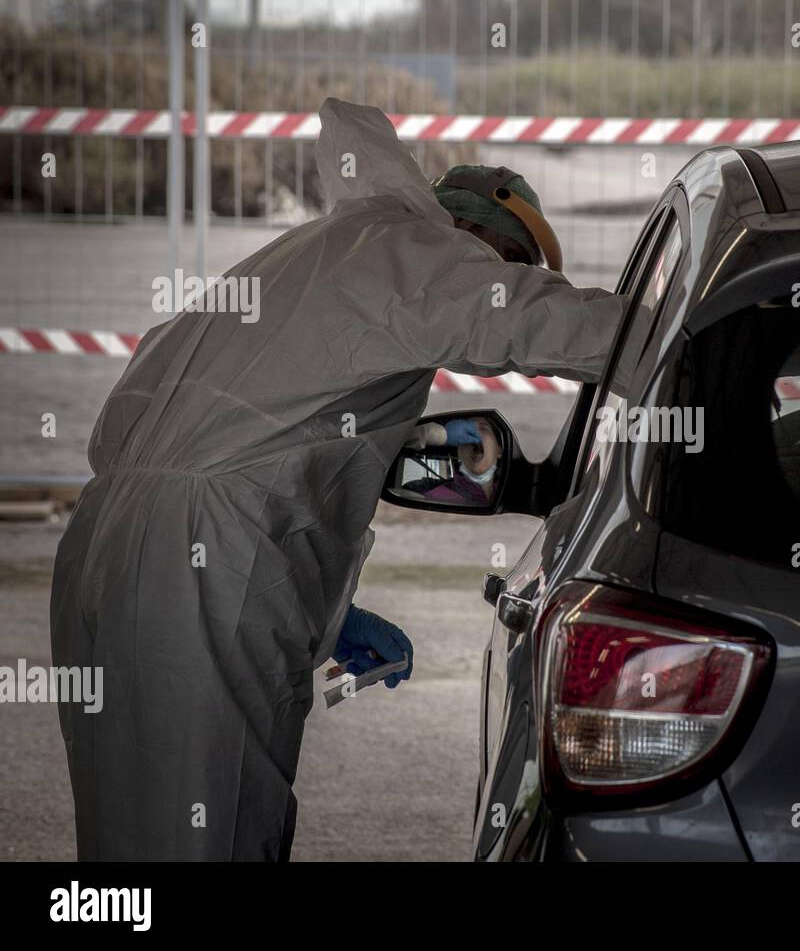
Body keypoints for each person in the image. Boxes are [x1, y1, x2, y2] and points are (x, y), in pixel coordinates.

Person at [49, 97, 628, 860]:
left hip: (106, 547)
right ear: (482, 235)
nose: (503, 276)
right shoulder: (417, 251)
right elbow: (543, 323)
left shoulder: (314, 252)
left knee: (127, 832)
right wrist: (696, 329)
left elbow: (256, 439)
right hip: (197, 568)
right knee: (210, 826)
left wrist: (332, 608)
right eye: (511, 261)